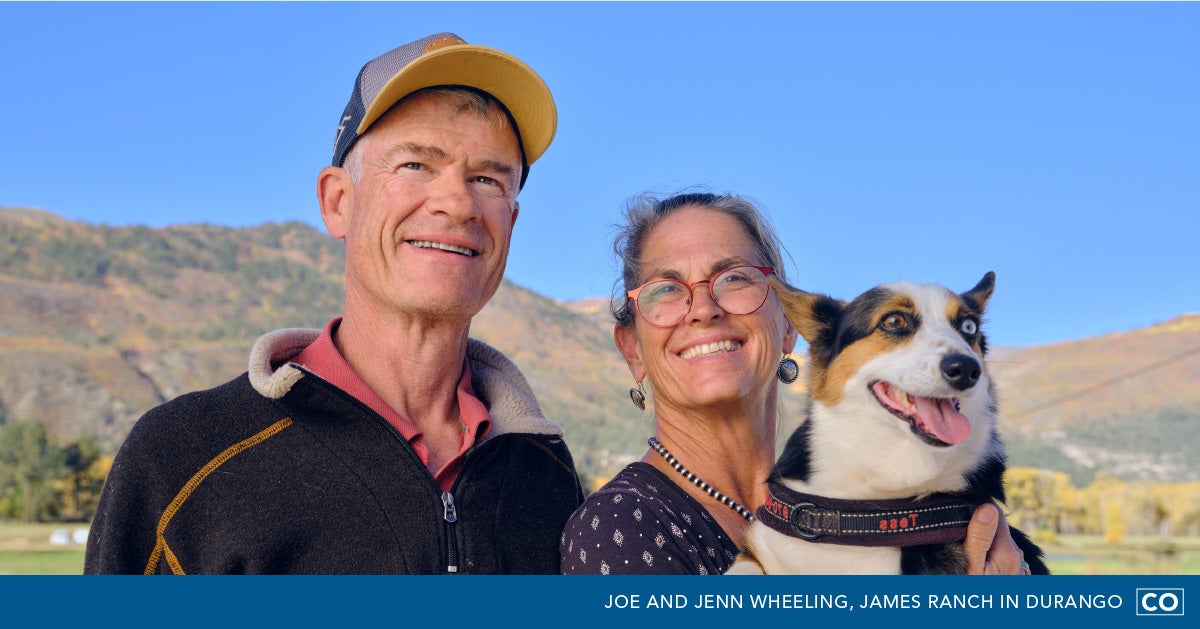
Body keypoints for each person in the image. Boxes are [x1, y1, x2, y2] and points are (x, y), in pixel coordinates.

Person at [85, 32, 583, 574]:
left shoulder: (546, 473)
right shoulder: (184, 457)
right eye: (416, 164)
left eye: (488, 178)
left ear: (509, 222)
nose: (457, 203)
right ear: (337, 202)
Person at [559, 191, 1027, 575]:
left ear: (788, 324)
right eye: (665, 290)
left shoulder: (901, 503)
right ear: (633, 348)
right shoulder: (618, 530)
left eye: (734, 278)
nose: (703, 308)